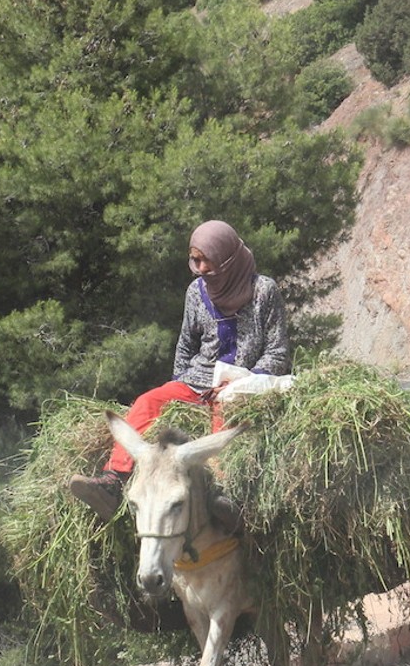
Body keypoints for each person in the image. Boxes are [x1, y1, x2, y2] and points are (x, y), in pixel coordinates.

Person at [69, 220, 290, 523]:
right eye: (195, 260)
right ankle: (113, 481)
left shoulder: (264, 291)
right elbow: (186, 345)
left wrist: (243, 382)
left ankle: (222, 494)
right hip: (197, 381)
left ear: (227, 258)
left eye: (206, 260)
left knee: (224, 417)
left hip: (243, 384)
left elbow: (277, 350)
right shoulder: (196, 292)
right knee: (148, 401)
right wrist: (178, 388)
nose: (200, 268)